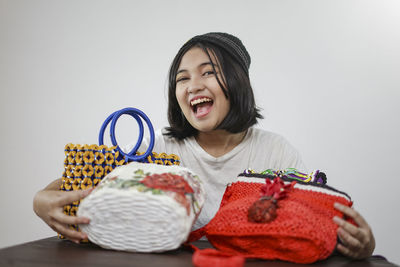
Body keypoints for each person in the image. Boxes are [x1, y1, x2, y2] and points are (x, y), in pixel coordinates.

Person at [33, 32, 375, 259]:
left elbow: (306, 222)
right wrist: (41, 201)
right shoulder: (156, 151)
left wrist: (362, 245)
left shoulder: (276, 153)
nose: (193, 85)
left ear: (238, 82)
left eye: (208, 72)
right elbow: (83, 186)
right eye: (182, 78)